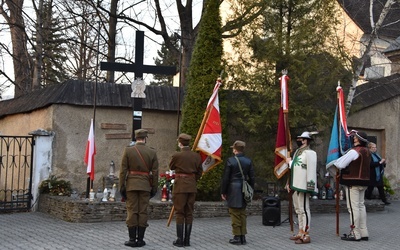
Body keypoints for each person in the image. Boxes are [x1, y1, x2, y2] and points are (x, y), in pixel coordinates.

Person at [119, 129, 159, 248]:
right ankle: (140, 240)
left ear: (136, 138)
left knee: (132, 211)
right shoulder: (152, 152)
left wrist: (122, 187)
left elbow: (123, 171)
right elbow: (155, 172)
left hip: (131, 185)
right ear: (145, 138)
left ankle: (132, 239)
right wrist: (154, 188)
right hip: (145, 185)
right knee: (142, 211)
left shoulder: (128, 150)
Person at [333, 131, 371, 241]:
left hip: (352, 182)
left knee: (353, 208)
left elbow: (340, 164)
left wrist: (335, 160)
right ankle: (363, 231)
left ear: (358, 140)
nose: (353, 138)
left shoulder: (355, 151)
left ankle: (355, 232)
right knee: (361, 206)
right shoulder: (367, 151)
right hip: (363, 182)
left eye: (355, 137)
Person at [169, 133, 202, 247]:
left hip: (180, 186)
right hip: (191, 186)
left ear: (180, 143)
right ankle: (187, 240)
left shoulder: (177, 155)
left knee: (180, 212)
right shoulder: (196, 156)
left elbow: (171, 167)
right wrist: (192, 180)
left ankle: (180, 240)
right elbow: (199, 172)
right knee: (189, 212)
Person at [285, 132, 317, 244]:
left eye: (300, 139)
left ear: (305, 140)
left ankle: (306, 234)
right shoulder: (298, 152)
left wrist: (290, 162)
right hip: (295, 184)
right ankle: (300, 231)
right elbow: (294, 170)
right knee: (298, 210)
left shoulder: (310, 153)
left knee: (304, 209)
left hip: (303, 184)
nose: (298, 140)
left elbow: (305, 168)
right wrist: (289, 182)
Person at [221, 140, 255, 245]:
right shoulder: (248, 161)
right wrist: (250, 189)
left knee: (234, 213)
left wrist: (223, 191)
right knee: (242, 213)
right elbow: (252, 178)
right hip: (244, 189)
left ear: (235, 150)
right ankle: (243, 237)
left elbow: (226, 178)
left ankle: (237, 236)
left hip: (233, 189)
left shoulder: (230, 161)